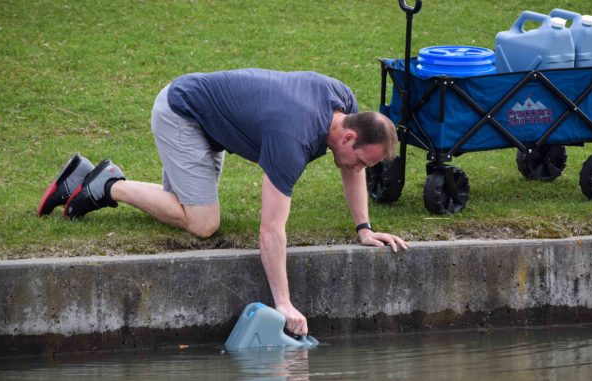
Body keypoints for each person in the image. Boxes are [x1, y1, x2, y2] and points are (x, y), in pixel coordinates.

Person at [38, 68, 408, 336]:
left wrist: (364, 229)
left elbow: (352, 171)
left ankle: (78, 177)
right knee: (202, 222)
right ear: (348, 137)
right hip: (182, 114)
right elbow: (271, 230)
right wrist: (283, 303)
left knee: (178, 206)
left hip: (206, 123)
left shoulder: (342, 102)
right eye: (362, 160)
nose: (361, 169)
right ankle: (106, 184)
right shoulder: (292, 140)